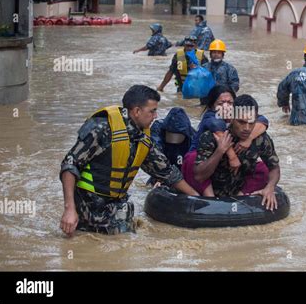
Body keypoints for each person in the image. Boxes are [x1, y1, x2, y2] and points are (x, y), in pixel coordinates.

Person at [59, 85, 199, 236]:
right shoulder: (102, 128)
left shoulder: (142, 138)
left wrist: (197, 199)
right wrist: (69, 209)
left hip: (116, 209)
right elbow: (70, 164)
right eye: (152, 111)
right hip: (87, 211)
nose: (156, 116)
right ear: (137, 111)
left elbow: (167, 172)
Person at [192, 94, 280, 210]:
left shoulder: (260, 139)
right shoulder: (211, 137)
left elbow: (274, 168)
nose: (247, 128)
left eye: (251, 122)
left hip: (240, 194)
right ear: (232, 118)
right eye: (241, 122)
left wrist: (270, 187)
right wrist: (220, 151)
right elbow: (199, 176)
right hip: (212, 197)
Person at [182, 86, 270, 197]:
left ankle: (239, 195)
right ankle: (210, 198)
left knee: (260, 167)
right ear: (212, 106)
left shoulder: (240, 117)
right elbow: (218, 129)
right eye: (220, 103)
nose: (225, 107)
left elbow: (263, 121)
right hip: (203, 160)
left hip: (224, 162)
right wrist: (232, 156)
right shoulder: (211, 118)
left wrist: (249, 139)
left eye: (230, 102)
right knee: (192, 158)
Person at [146, 107, 195, 186]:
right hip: (161, 171)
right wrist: (160, 178)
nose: (174, 141)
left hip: (183, 175)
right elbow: (154, 154)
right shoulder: (158, 130)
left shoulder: (193, 138)